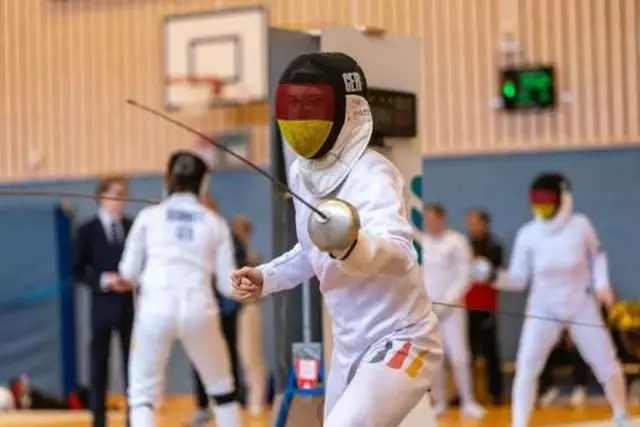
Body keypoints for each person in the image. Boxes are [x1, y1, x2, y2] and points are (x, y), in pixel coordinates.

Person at [231, 52, 443, 427]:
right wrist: (267, 276)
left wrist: (353, 245)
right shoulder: (301, 175)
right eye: (292, 104)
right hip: (348, 347)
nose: (300, 116)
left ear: (348, 109)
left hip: (403, 339)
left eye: (312, 104)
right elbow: (314, 248)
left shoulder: (372, 172)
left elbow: (397, 248)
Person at [118, 150, 242, 427]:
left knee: (142, 395)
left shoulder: (148, 217)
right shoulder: (214, 222)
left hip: (155, 308)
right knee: (223, 389)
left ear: (168, 180)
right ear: (203, 184)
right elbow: (227, 285)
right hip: (200, 308)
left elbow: (128, 272)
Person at [499, 172, 628, 427]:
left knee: (605, 362)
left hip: (581, 305)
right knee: (527, 366)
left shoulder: (581, 225)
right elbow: (518, 279)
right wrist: (493, 276)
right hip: (542, 308)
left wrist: (602, 284)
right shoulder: (528, 234)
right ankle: (519, 424)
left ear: (563, 198)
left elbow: (597, 255)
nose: (542, 207)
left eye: (547, 200)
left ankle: (621, 413)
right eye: (537, 201)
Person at [74, 175, 134, 427]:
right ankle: (98, 420)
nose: (120, 200)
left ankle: (134, 418)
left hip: (128, 306)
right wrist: (103, 280)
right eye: (115, 194)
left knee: (133, 366)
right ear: (102, 197)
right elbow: (77, 271)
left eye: (123, 195)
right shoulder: (87, 231)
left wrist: (132, 281)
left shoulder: (132, 226)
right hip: (101, 307)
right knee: (99, 366)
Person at [421, 203, 485, 418]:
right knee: (435, 358)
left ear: (442, 219)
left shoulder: (457, 241)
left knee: (459, 356)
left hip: (453, 308)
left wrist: (449, 299)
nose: (429, 224)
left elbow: (465, 274)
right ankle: (440, 402)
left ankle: (468, 401)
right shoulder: (421, 242)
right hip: (429, 309)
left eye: (433, 219)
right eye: (427, 220)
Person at [187, 198, 245, 427]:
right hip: (199, 307)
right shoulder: (191, 235)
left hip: (224, 309)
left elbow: (236, 266)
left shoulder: (224, 232)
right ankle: (202, 406)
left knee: (227, 356)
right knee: (198, 356)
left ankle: (231, 405)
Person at [464, 208, 504, 405]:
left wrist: (476, 263)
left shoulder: (494, 247)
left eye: (475, 223)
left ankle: (495, 393)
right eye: (469, 223)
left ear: (484, 224)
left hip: (487, 305)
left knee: (490, 350)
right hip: (467, 304)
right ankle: (467, 394)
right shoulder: (463, 245)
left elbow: (489, 272)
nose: (472, 227)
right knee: (467, 350)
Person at [233, 216, 268, 417]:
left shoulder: (251, 258)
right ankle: (250, 398)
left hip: (250, 310)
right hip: (238, 311)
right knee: (243, 356)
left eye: (241, 231)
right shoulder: (235, 257)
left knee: (252, 355)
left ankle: (257, 400)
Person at [538, 332, 590, 408]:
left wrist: (572, 338)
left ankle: (580, 388)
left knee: (579, 350)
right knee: (540, 354)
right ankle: (550, 388)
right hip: (560, 348)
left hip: (576, 348)